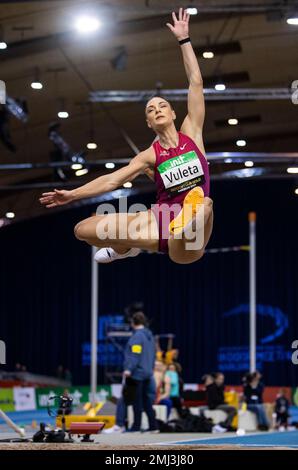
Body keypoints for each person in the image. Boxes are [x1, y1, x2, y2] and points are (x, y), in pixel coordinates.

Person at [39, 9, 213, 266]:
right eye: (151, 110)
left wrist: (184, 40)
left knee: (205, 204)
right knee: (83, 229)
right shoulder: (149, 156)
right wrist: (72, 195)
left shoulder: (192, 133)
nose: (157, 110)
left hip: (190, 238)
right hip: (157, 223)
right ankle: (127, 245)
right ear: (148, 122)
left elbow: (195, 82)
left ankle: (156, 231)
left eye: (162, 105)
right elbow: (111, 181)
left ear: (174, 112)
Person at [123, 311, 157, 432]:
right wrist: (151, 368)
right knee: (147, 400)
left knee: (136, 400)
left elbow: (135, 354)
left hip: (137, 373)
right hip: (148, 372)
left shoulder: (137, 336)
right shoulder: (150, 336)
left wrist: (128, 369)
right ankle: (153, 426)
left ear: (133, 322)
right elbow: (153, 355)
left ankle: (136, 427)